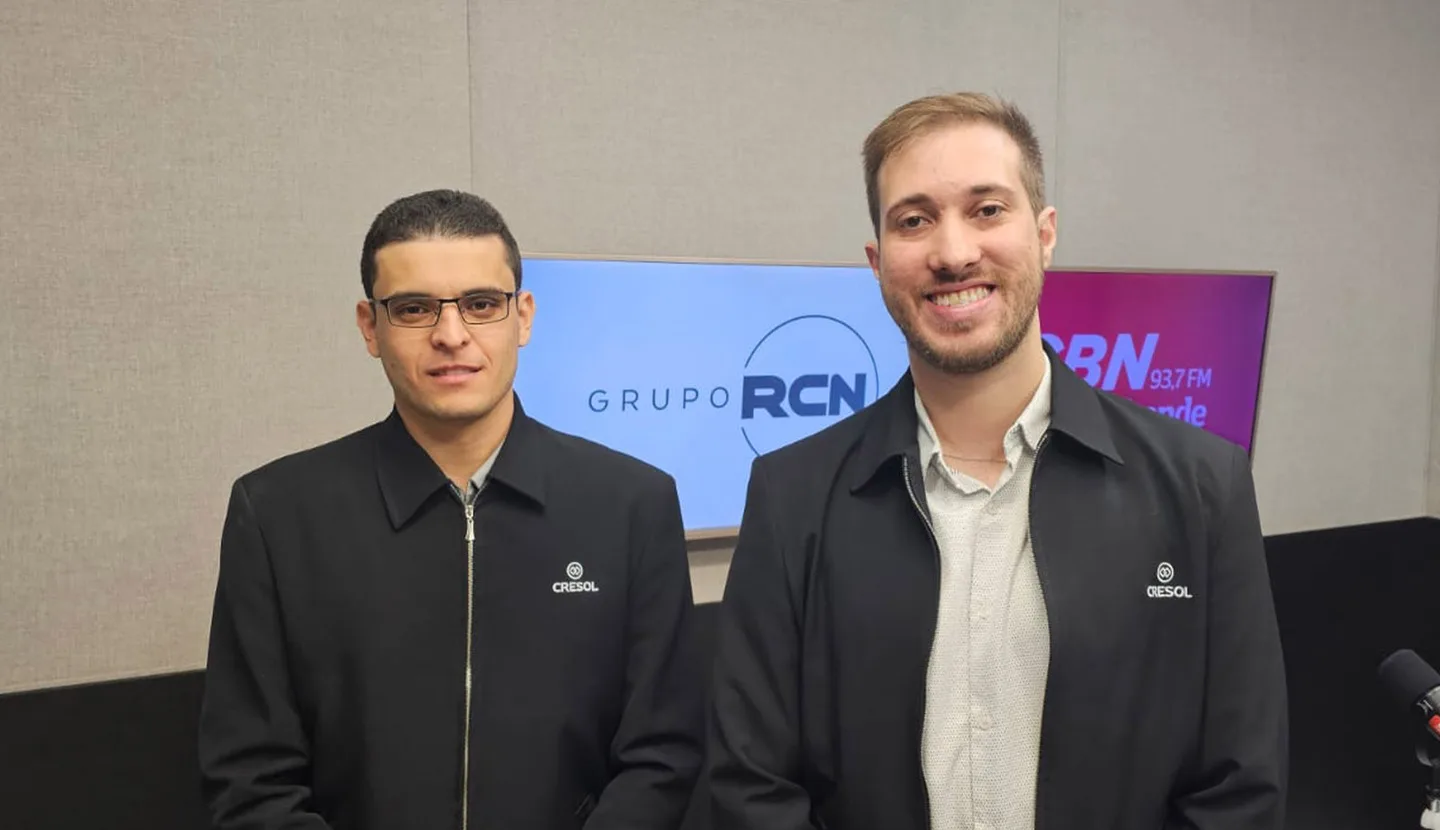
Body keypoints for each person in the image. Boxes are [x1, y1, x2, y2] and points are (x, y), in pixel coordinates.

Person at [706, 93, 1288, 829]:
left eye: (987, 209)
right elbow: (751, 784)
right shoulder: (794, 495)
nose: (952, 253)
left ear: (1044, 234)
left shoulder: (1203, 485)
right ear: (878, 260)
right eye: (914, 219)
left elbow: (1240, 786)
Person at [199, 190, 703, 830]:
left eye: (480, 304)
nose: (451, 335)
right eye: (413, 309)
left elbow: (665, 754)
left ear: (522, 316)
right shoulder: (276, 514)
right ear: (369, 326)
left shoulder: (633, 504)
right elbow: (250, 780)